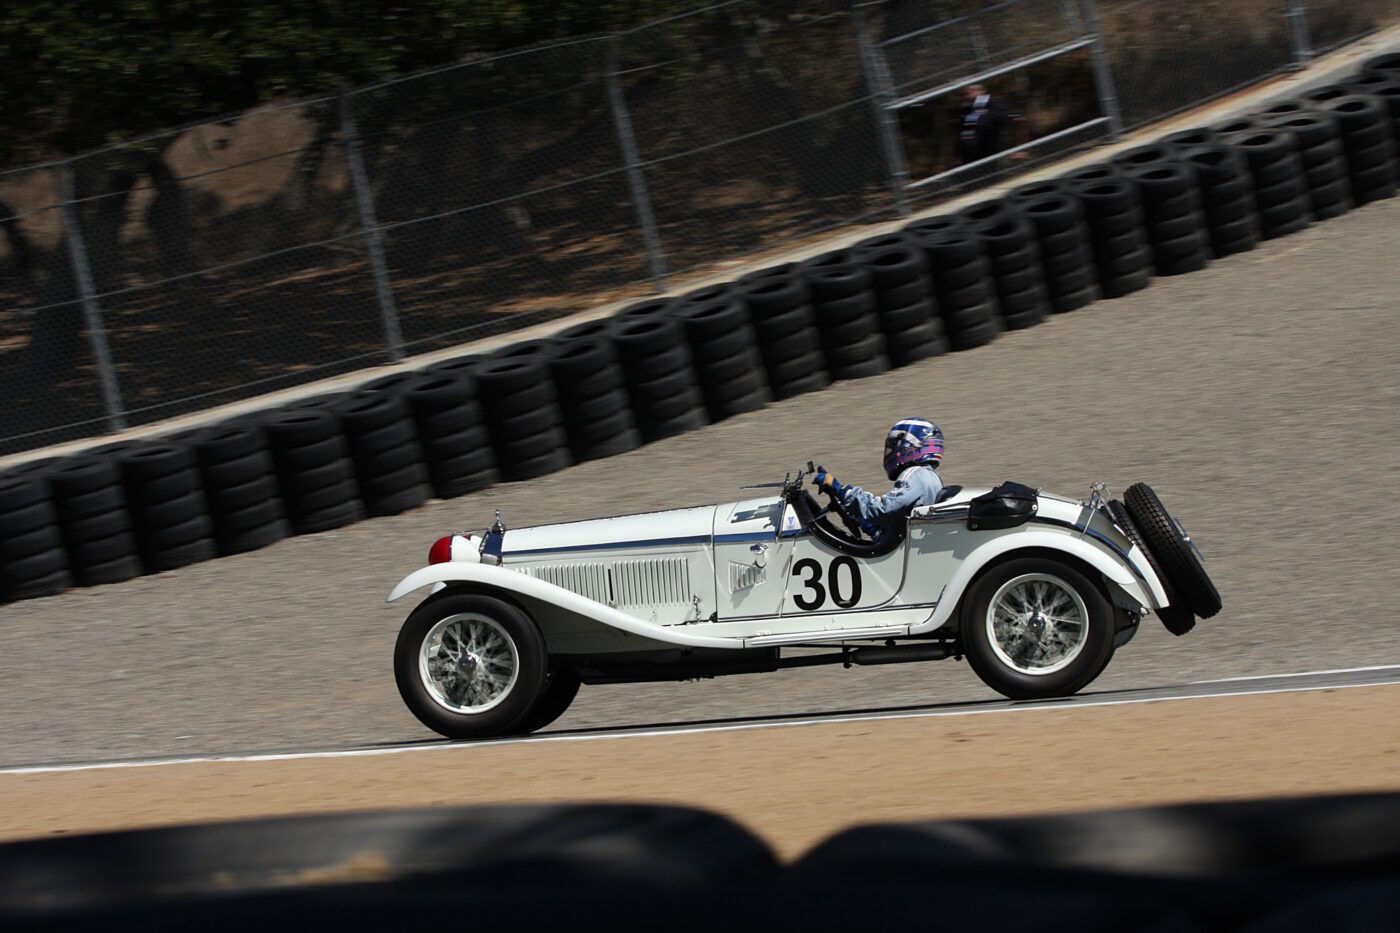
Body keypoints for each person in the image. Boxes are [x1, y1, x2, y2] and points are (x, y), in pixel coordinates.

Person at [812, 418, 945, 543]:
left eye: (894, 446)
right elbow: (897, 517)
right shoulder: (929, 477)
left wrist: (843, 492)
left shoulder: (916, 474)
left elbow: (885, 509)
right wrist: (871, 527)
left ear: (909, 447)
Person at [954, 83, 1015, 164]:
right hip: (970, 158)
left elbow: (1015, 120)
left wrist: (1017, 149)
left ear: (979, 91)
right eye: (962, 95)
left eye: (966, 93)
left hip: (989, 157)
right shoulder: (967, 109)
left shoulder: (992, 105)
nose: (964, 97)